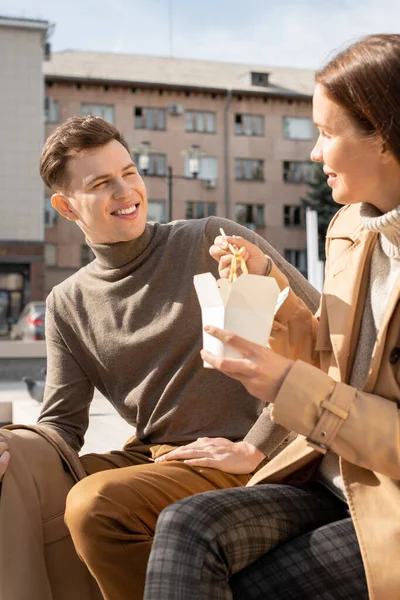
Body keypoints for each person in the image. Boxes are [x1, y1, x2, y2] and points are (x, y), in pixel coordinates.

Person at [0, 115, 319, 599]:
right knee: (14, 479)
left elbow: (319, 331)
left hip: (240, 450)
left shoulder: (211, 241)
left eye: (129, 173)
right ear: (66, 207)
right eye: (102, 183)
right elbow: (62, 424)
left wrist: (258, 442)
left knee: (93, 504)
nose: (125, 191)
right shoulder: (68, 301)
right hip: (156, 455)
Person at [144, 33, 400, 600]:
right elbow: (328, 357)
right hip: (331, 475)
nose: (313, 153)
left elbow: (318, 391)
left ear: (381, 135)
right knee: (184, 525)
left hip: (390, 498)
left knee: (248, 586)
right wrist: (265, 285)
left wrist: (287, 385)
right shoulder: (352, 230)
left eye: (326, 133)